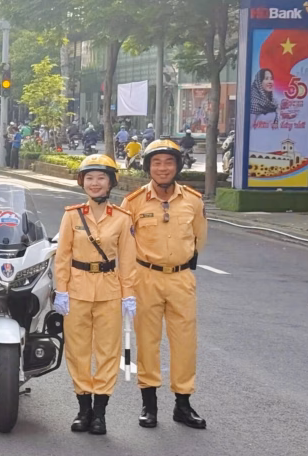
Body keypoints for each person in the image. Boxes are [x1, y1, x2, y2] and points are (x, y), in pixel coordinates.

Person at [121, 139, 208, 430]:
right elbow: (123, 243)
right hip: (145, 277)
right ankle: (149, 405)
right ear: (147, 167)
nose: (162, 168)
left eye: (168, 162)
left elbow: (199, 239)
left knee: (185, 343)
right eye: (156, 163)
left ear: (177, 166)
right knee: (147, 341)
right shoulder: (133, 202)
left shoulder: (193, 200)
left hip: (182, 278)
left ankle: (183, 404)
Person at [53, 155, 137, 435]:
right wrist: (60, 290)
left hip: (109, 290)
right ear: (82, 182)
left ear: (111, 182)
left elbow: (127, 259)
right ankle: (83, 408)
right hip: (76, 290)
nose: (95, 183)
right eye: (89, 178)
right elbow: (62, 256)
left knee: (107, 352)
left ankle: (100, 412)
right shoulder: (71, 215)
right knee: (77, 351)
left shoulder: (123, 219)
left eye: (101, 178)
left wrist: (129, 295)